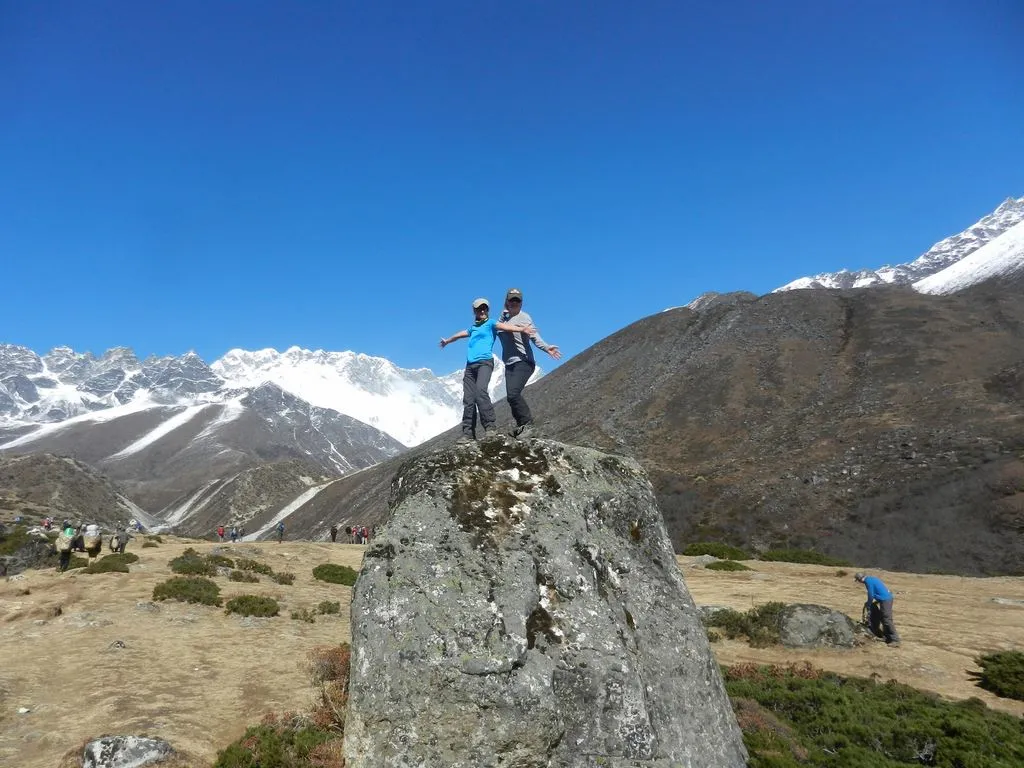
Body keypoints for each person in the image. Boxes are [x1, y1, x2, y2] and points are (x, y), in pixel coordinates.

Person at [439, 297, 534, 442]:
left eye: (485, 308)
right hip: (470, 366)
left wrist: (522, 329)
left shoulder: (491, 323)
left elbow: (506, 327)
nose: (482, 311)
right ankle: (468, 434)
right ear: (474, 311)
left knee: (480, 392)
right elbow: (459, 335)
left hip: (485, 363)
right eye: (479, 309)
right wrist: (447, 341)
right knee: (468, 399)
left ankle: (490, 427)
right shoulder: (473, 328)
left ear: (488, 310)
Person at [497, 288, 561, 438]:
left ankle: (528, 424)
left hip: (524, 362)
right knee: (511, 397)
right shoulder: (503, 319)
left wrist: (547, 347)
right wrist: (504, 313)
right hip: (509, 364)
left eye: (517, 301)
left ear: (521, 303)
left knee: (513, 394)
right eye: (511, 300)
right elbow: (497, 327)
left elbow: (534, 336)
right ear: (507, 302)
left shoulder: (524, 317)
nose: (514, 303)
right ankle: (521, 427)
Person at [855, 572, 901, 645]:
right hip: (885, 598)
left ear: (860, 579)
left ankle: (895, 640)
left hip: (885, 600)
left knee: (887, 619)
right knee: (883, 618)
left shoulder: (868, 581)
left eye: (858, 580)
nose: (859, 582)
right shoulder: (872, 579)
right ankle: (887, 638)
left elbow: (871, 594)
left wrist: (869, 604)